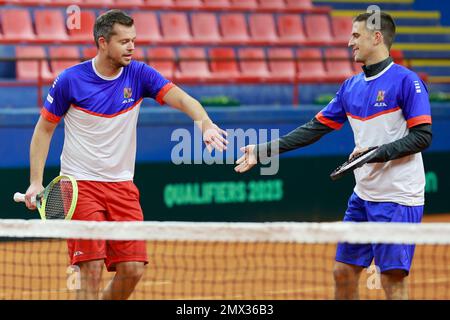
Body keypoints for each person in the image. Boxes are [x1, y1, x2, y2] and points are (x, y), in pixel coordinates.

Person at [24, 9, 228, 300]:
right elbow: (43, 131)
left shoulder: (140, 74)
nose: (132, 47)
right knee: (90, 269)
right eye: (124, 42)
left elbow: (182, 98)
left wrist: (204, 123)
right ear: (103, 42)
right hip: (81, 186)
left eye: (134, 40)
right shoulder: (70, 80)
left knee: (132, 269)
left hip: (122, 186)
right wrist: (35, 181)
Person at [235, 12, 432, 300]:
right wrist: (263, 150)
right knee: (343, 271)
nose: (349, 41)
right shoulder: (350, 87)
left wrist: (375, 153)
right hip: (363, 196)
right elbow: (314, 129)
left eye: (356, 35)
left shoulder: (406, 81)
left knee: (391, 281)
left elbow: (423, 136)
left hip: (398, 198)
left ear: (377, 37)